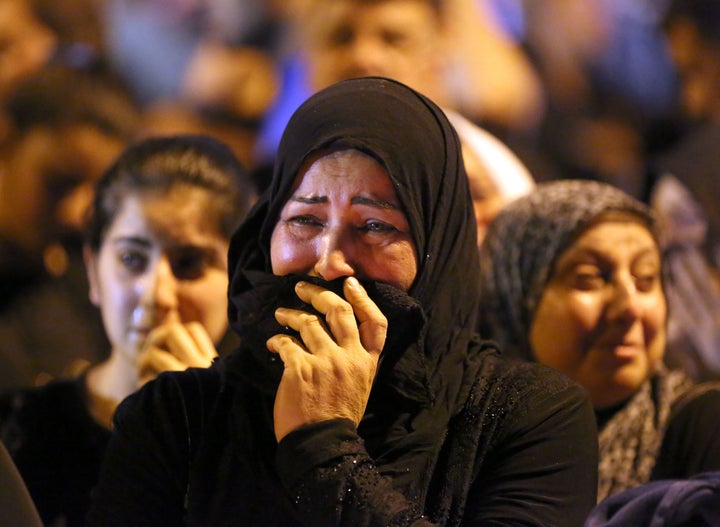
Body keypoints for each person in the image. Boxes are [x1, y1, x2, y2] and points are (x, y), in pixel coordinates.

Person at [87, 77, 597, 526]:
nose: (329, 263)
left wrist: (325, 450)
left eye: (375, 227)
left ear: (436, 247)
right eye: (305, 221)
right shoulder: (177, 419)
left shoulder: (531, 417)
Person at [0, 135, 256, 527]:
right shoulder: (20, 430)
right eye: (131, 258)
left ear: (236, 281)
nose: (156, 293)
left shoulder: (263, 444)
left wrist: (205, 429)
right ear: (93, 271)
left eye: (189, 263)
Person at [477, 179, 720, 503]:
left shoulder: (705, 428)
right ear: (514, 299)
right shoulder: (466, 436)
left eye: (646, 279)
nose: (630, 307)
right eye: (591, 279)